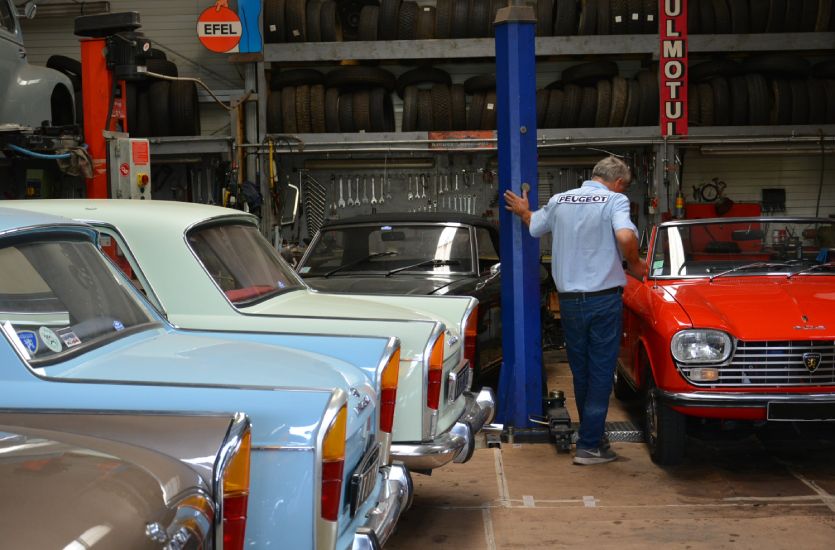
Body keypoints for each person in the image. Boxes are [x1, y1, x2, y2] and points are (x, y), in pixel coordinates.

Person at [504, 156, 647, 465]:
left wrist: (522, 210)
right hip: (603, 300)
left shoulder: (559, 200)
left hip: (569, 301)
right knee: (599, 373)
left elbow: (534, 224)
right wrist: (636, 264)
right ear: (619, 182)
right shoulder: (615, 200)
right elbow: (625, 236)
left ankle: (592, 438)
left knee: (581, 371)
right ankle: (590, 445)